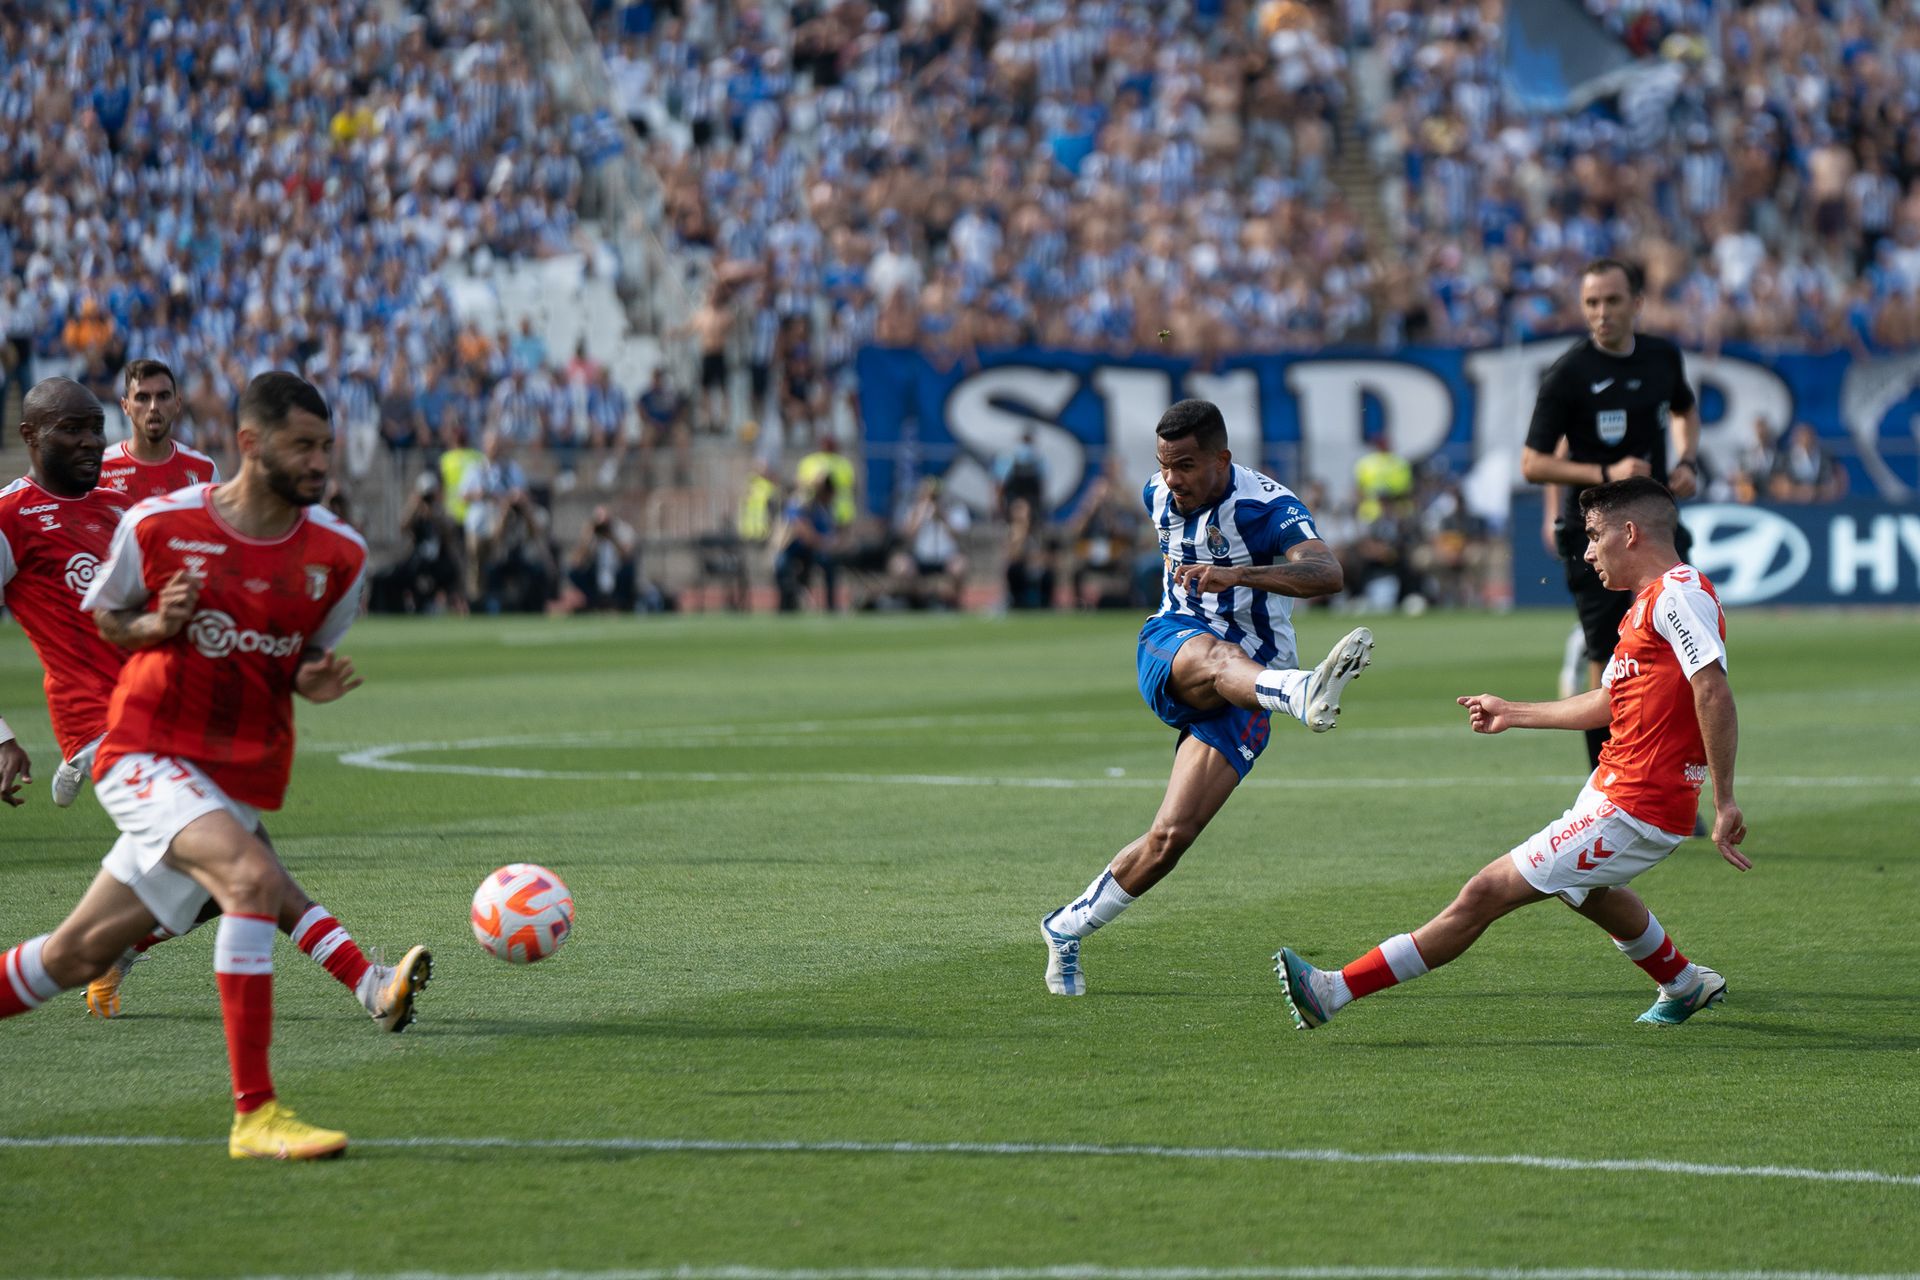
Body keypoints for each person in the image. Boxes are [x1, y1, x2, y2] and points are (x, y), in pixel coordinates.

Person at [0, 373, 432, 1159]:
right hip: (134, 745)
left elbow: (292, 655)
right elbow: (108, 620)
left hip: (223, 765)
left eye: (325, 447)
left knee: (72, 956)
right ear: (251, 445)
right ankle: (256, 1112)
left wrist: (308, 676)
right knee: (249, 878)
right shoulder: (156, 522)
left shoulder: (338, 555)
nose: (318, 461)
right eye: (302, 445)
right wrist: (150, 626)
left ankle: (365, 987)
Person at [1276, 478, 1747, 1031]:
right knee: (1587, 893)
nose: (1587, 550)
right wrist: (1513, 712)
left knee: (1485, 891)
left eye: (1594, 536)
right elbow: (1610, 700)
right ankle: (1684, 983)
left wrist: (1724, 800)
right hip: (1614, 785)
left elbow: (1711, 689)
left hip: (1638, 805)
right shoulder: (1647, 603)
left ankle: (1332, 991)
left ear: (1630, 532)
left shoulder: (1677, 595)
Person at [1038, 400, 1374, 996]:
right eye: (1165, 465)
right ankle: (1301, 693)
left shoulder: (1268, 506)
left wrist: (1239, 574)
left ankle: (1065, 928)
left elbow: (1328, 574)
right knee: (1220, 659)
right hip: (1175, 649)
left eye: (1187, 466)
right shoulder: (1158, 494)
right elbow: (1165, 516)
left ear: (1224, 458)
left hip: (1251, 687)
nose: (1173, 480)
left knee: (1170, 839)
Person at [1521, 258, 1700, 774]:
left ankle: (1670, 780)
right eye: (1592, 303)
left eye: (1613, 301)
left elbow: (1685, 409)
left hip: (1659, 535)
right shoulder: (1568, 374)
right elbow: (1532, 462)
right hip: (1595, 538)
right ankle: (1610, 783)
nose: (1602, 313)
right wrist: (1607, 470)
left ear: (1637, 303)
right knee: (1609, 660)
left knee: (1677, 656)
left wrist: (1686, 460)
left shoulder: (1663, 358)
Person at [101, 359, 220, 499]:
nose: (153, 407)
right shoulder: (101, 470)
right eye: (142, 398)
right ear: (125, 406)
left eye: (163, 396)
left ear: (177, 404)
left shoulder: (205, 469)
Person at [774, 474, 839, 612]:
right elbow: (800, 529)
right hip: (790, 549)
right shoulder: (800, 502)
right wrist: (820, 541)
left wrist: (824, 543)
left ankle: (831, 606)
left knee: (829, 562)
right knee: (781, 566)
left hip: (811, 551)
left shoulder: (824, 509)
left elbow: (827, 535)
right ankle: (786, 605)